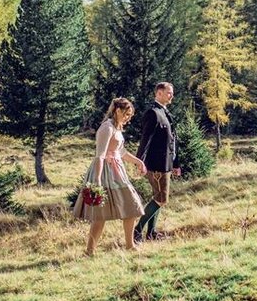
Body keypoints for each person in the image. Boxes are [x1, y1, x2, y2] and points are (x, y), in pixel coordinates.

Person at [74, 97, 146, 256]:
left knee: (132, 207)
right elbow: (100, 156)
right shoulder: (106, 128)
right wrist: (97, 180)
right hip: (104, 172)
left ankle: (129, 245)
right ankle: (89, 251)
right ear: (117, 110)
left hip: (117, 171)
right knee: (100, 215)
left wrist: (138, 162)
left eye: (130, 115)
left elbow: (121, 152)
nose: (128, 118)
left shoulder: (117, 127)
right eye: (126, 114)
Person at [134, 82, 181, 242]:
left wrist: (175, 163)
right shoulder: (152, 113)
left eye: (172, 93)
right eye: (169, 92)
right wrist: (139, 162)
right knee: (161, 199)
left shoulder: (165, 113)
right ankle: (137, 230)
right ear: (159, 93)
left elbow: (173, 141)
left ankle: (151, 232)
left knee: (158, 198)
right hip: (155, 164)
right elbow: (145, 139)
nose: (171, 96)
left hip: (166, 163)